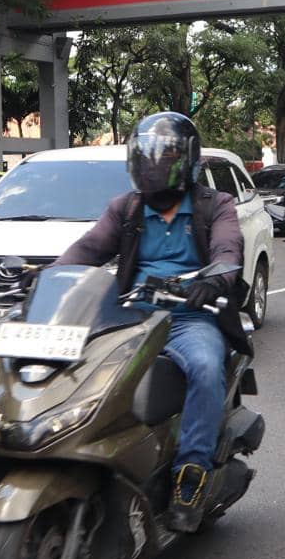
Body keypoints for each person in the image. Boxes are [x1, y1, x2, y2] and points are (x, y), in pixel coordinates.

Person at [54, 112, 247, 534]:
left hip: (190, 317)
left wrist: (215, 279)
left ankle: (190, 475)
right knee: (83, 370)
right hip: (131, 318)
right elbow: (85, 251)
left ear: (187, 162)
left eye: (165, 157)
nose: (153, 165)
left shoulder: (216, 206)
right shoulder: (125, 208)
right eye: (146, 157)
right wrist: (45, 278)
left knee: (203, 367)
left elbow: (228, 250)